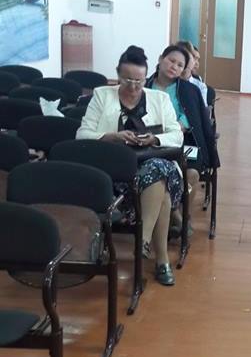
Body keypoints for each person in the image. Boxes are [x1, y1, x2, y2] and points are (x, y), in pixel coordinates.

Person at [76, 45, 183, 285]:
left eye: (139, 81)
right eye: (127, 80)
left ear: (146, 77)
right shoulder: (102, 95)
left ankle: (142, 241)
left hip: (152, 163)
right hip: (115, 173)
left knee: (157, 169)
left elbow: (177, 135)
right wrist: (111, 136)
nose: (133, 87)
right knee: (162, 192)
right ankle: (161, 260)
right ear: (117, 75)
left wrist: (154, 139)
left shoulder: (160, 99)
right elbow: (82, 134)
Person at [147, 45, 220, 235]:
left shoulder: (189, 90)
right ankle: (173, 213)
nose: (174, 67)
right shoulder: (145, 85)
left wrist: (173, 129)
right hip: (151, 141)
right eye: (171, 61)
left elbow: (190, 118)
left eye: (180, 65)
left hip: (184, 140)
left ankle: (182, 213)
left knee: (192, 174)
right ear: (161, 59)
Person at [176, 40, 208, 106]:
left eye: (197, 59)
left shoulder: (200, 86)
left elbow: (202, 109)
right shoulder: (170, 82)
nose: (196, 63)